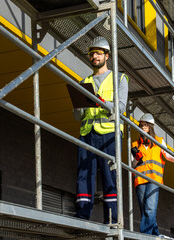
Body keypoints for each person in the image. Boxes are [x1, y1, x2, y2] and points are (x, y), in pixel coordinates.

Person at [73, 36, 129, 225]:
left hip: (109, 134)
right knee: (84, 174)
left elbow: (120, 108)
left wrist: (100, 101)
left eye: (98, 53)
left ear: (107, 55)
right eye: (91, 53)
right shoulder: (84, 81)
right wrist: (78, 107)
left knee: (109, 176)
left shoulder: (120, 78)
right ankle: (81, 217)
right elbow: (77, 117)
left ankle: (112, 219)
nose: (94, 56)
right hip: (87, 133)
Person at [131, 113, 174, 236]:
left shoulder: (159, 141)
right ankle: (155, 234)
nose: (142, 128)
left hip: (154, 180)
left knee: (150, 209)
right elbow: (131, 165)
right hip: (140, 181)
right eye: (141, 125)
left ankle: (145, 236)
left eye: (145, 126)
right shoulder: (135, 145)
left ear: (151, 127)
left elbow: (168, 155)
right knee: (145, 211)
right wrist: (136, 158)